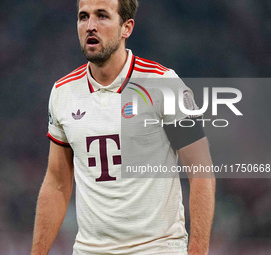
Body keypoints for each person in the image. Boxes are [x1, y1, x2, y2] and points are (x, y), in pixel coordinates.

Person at [31, 0, 215, 254]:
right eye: (83, 17)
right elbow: (57, 182)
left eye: (102, 16)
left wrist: (197, 251)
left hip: (157, 248)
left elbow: (201, 171)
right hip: (90, 250)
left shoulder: (163, 84)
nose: (90, 26)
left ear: (126, 27)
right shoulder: (63, 92)